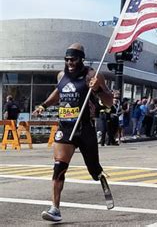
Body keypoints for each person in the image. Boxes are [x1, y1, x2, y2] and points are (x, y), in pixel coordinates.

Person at [32, 43, 114, 222]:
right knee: (58, 168)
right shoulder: (61, 75)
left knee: (93, 168)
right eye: (67, 59)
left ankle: (99, 175)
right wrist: (43, 105)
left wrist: (98, 89)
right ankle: (55, 209)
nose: (69, 63)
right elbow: (58, 92)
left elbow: (109, 102)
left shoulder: (93, 75)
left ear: (81, 59)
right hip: (66, 128)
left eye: (73, 59)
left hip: (85, 128)